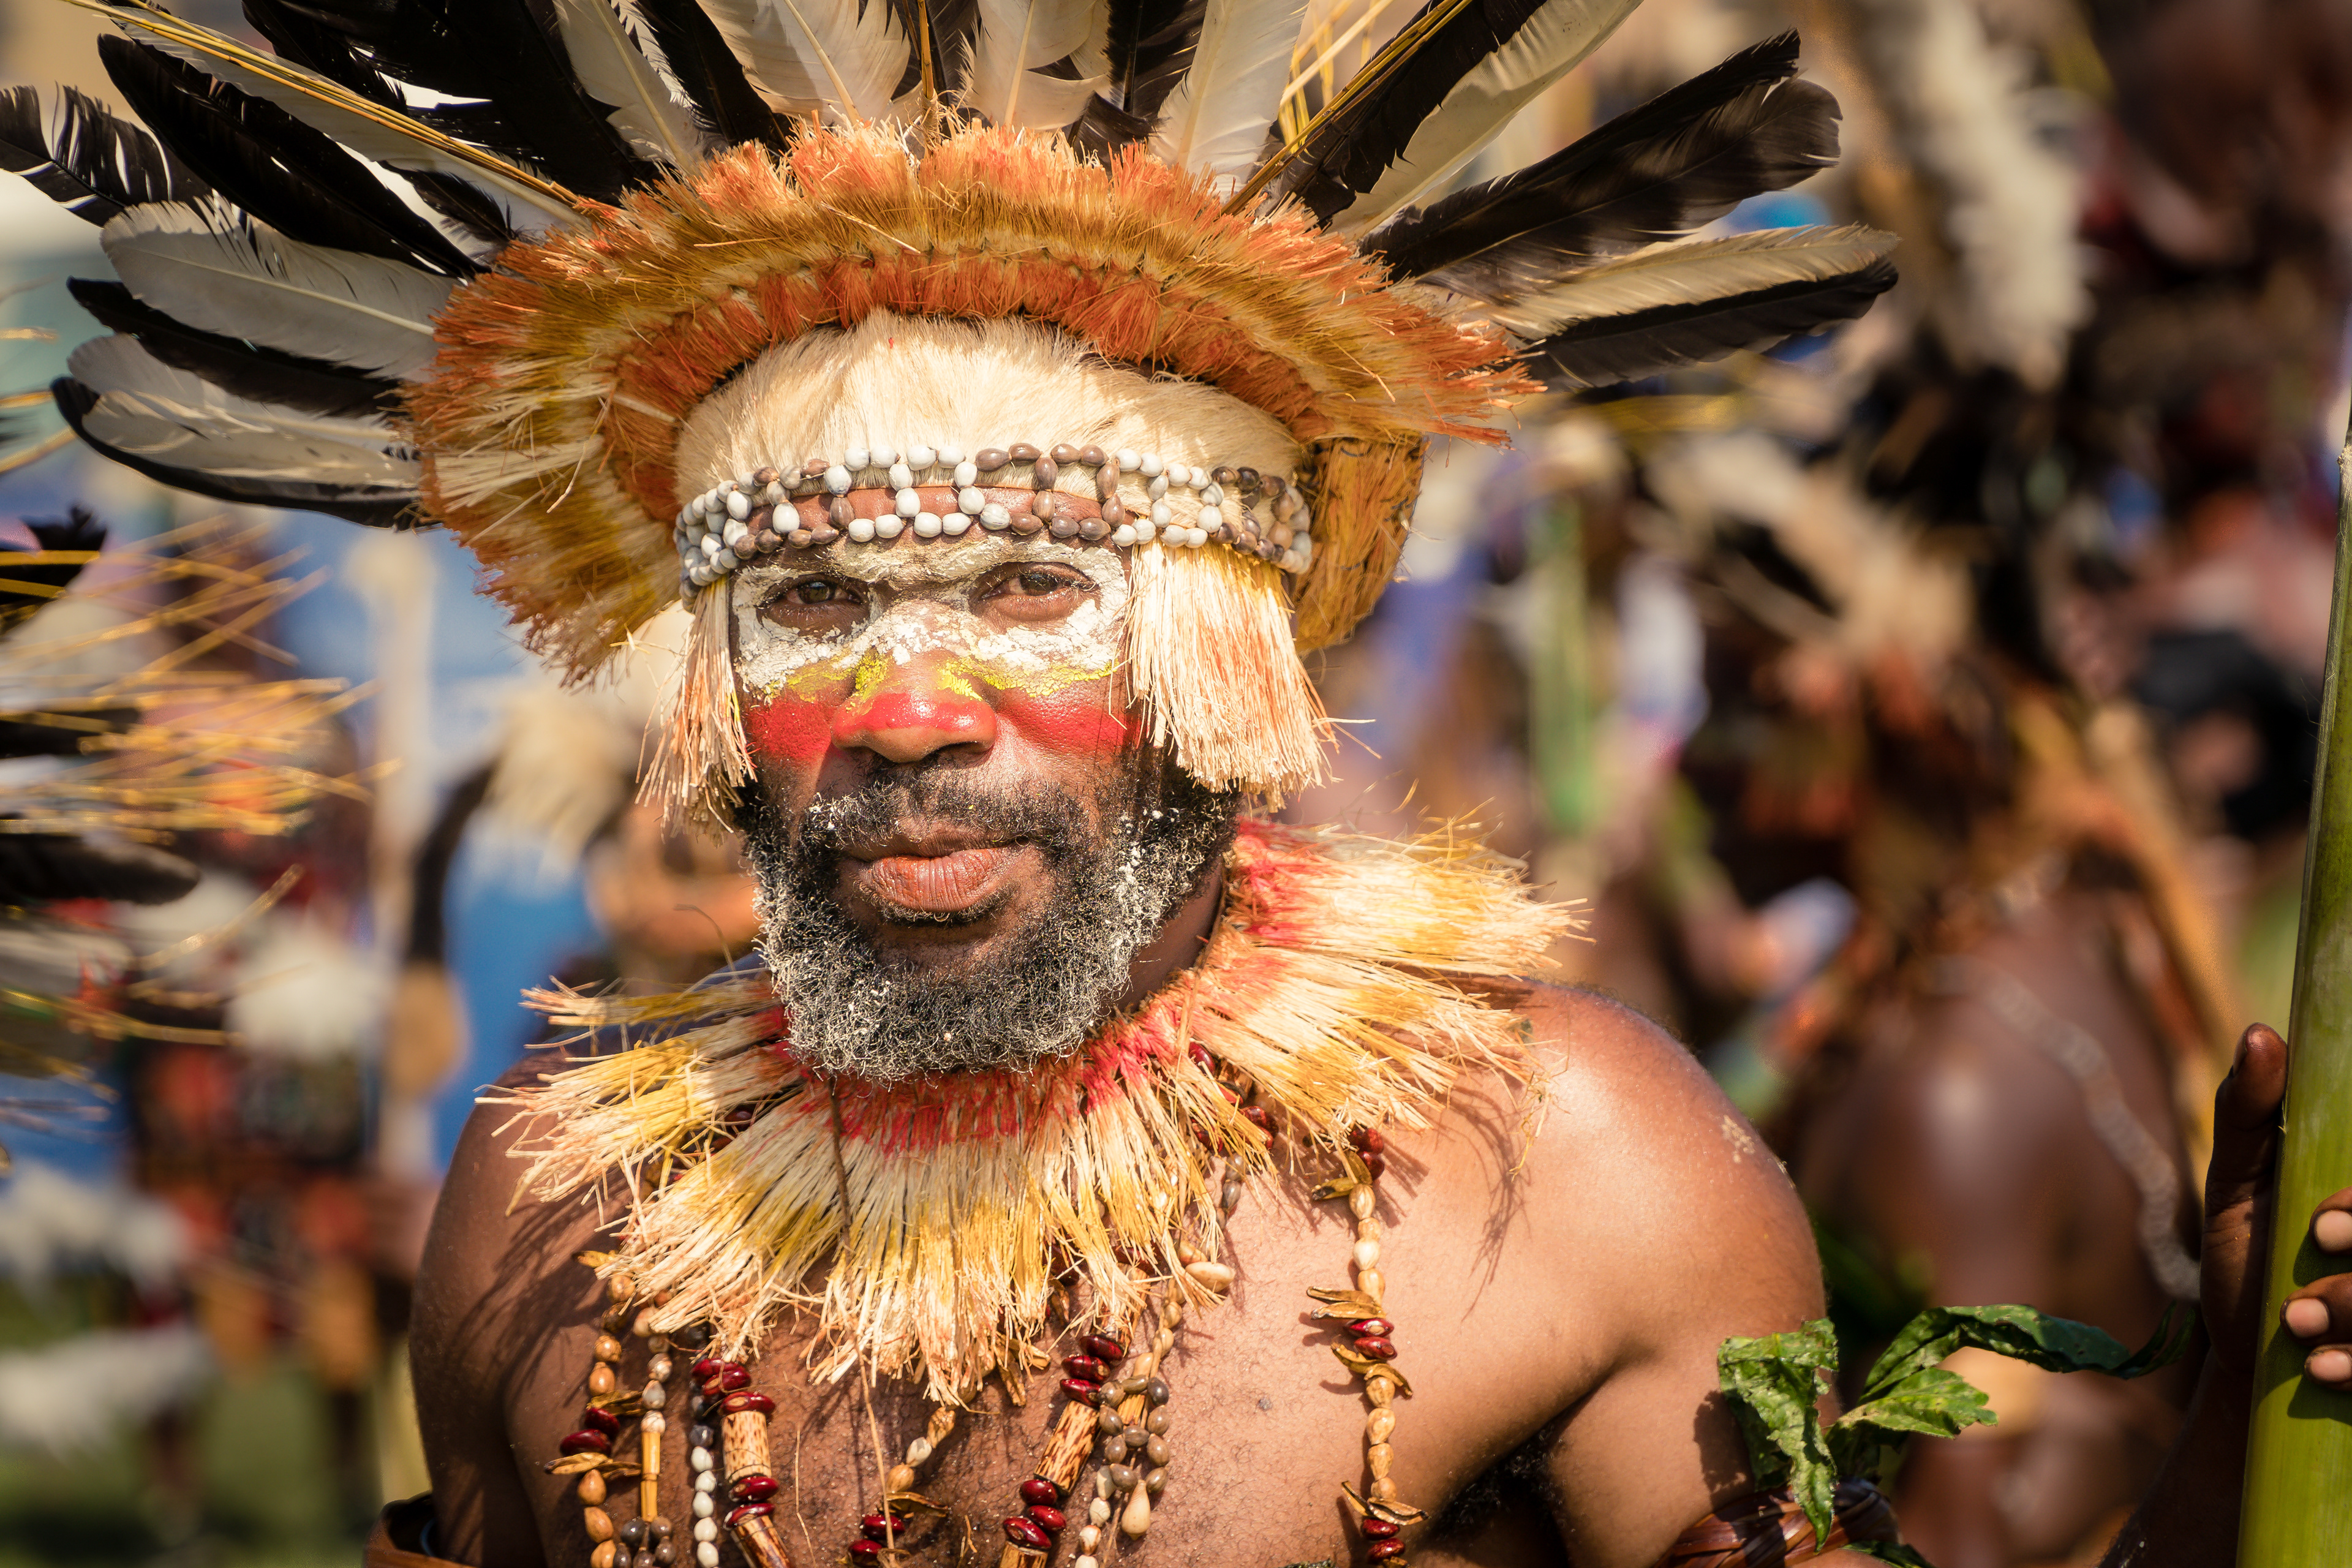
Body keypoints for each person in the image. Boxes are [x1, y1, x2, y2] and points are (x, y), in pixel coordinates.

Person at [23, 4, 2326, 1566]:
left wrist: (2231, 1440)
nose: (913, 713)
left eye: (1033, 583)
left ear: (1221, 648)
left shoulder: (1565, 1176)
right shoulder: (542, 1214)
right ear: (713, 683)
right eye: (811, 613)